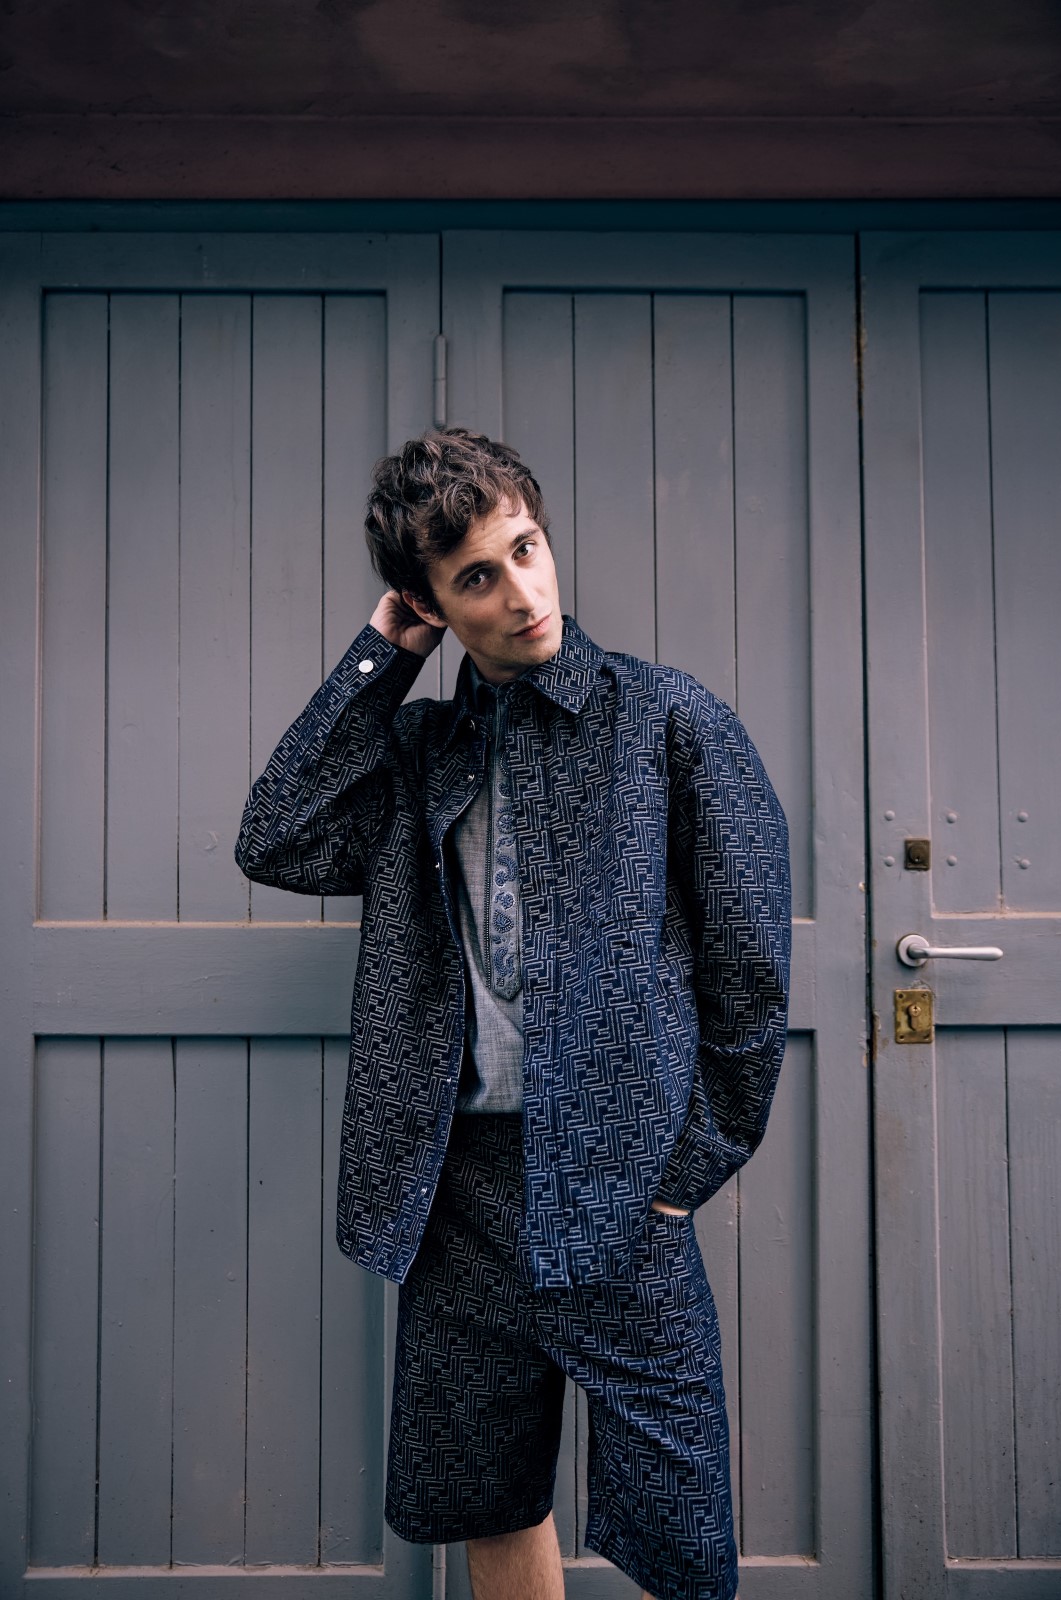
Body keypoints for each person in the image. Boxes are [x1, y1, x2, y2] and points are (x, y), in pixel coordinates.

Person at [236, 428, 791, 1600]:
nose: (522, 594)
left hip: (621, 1183)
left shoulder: (667, 720)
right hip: (458, 1186)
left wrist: (686, 1167)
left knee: (680, 1522)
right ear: (432, 602)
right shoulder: (419, 747)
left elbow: (747, 971)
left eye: (525, 549)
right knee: (485, 1491)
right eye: (475, 578)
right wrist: (379, 658)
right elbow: (276, 838)